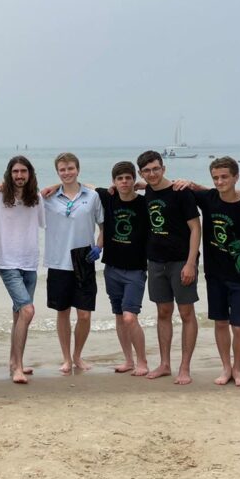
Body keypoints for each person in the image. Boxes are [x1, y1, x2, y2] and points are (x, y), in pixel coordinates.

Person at [186, 157, 240, 386]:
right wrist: (144, 185)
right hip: (215, 275)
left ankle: (238, 369)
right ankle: (226, 367)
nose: (220, 181)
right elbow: (180, 189)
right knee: (220, 323)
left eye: (224, 176)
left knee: (239, 326)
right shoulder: (209, 199)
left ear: (236, 177)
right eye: (215, 177)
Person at [137, 150, 201, 385]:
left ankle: (185, 367)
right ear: (141, 173)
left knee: (186, 313)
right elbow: (136, 185)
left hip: (181, 262)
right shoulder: (148, 189)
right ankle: (165, 364)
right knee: (163, 313)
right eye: (146, 170)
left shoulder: (180, 192)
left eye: (155, 169)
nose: (152, 174)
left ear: (163, 168)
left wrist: (191, 263)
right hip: (155, 261)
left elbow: (196, 228)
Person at [0, 156, 45, 384]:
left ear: (30, 174)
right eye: (15, 171)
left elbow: (43, 223)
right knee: (28, 311)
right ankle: (17, 367)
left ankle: (14, 361)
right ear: (9, 173)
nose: (19, 176)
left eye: (23, 172)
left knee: (20, 314)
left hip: (29, 261)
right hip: (7, 261)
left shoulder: (36, 198)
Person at [41, 153, 103, 374]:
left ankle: (78, 355)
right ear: (57, 172)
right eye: (62, 170)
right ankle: (66, 358)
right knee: (62, 312)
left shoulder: (92, 196)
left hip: (83, 260)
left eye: (70, 169)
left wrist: (99, 246)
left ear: (78, 169)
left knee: (84, 315)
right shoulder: (47, 198)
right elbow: (21, 199)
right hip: (57, 261)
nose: (67, 173)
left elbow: (103, 226)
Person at [95, 161, 150, 376]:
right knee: (119, 316)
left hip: (136, 270)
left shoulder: (145, 203)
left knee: (130, 317)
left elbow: (166, 191)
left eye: (128, 178)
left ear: (133, 180)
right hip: (112, 268)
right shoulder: (108, 198)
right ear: (114, 182)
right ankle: (128, 360)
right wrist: (53, 187)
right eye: (120, 179)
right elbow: (81, 186)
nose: (124, 182)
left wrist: (147, 185)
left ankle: (142, 361)